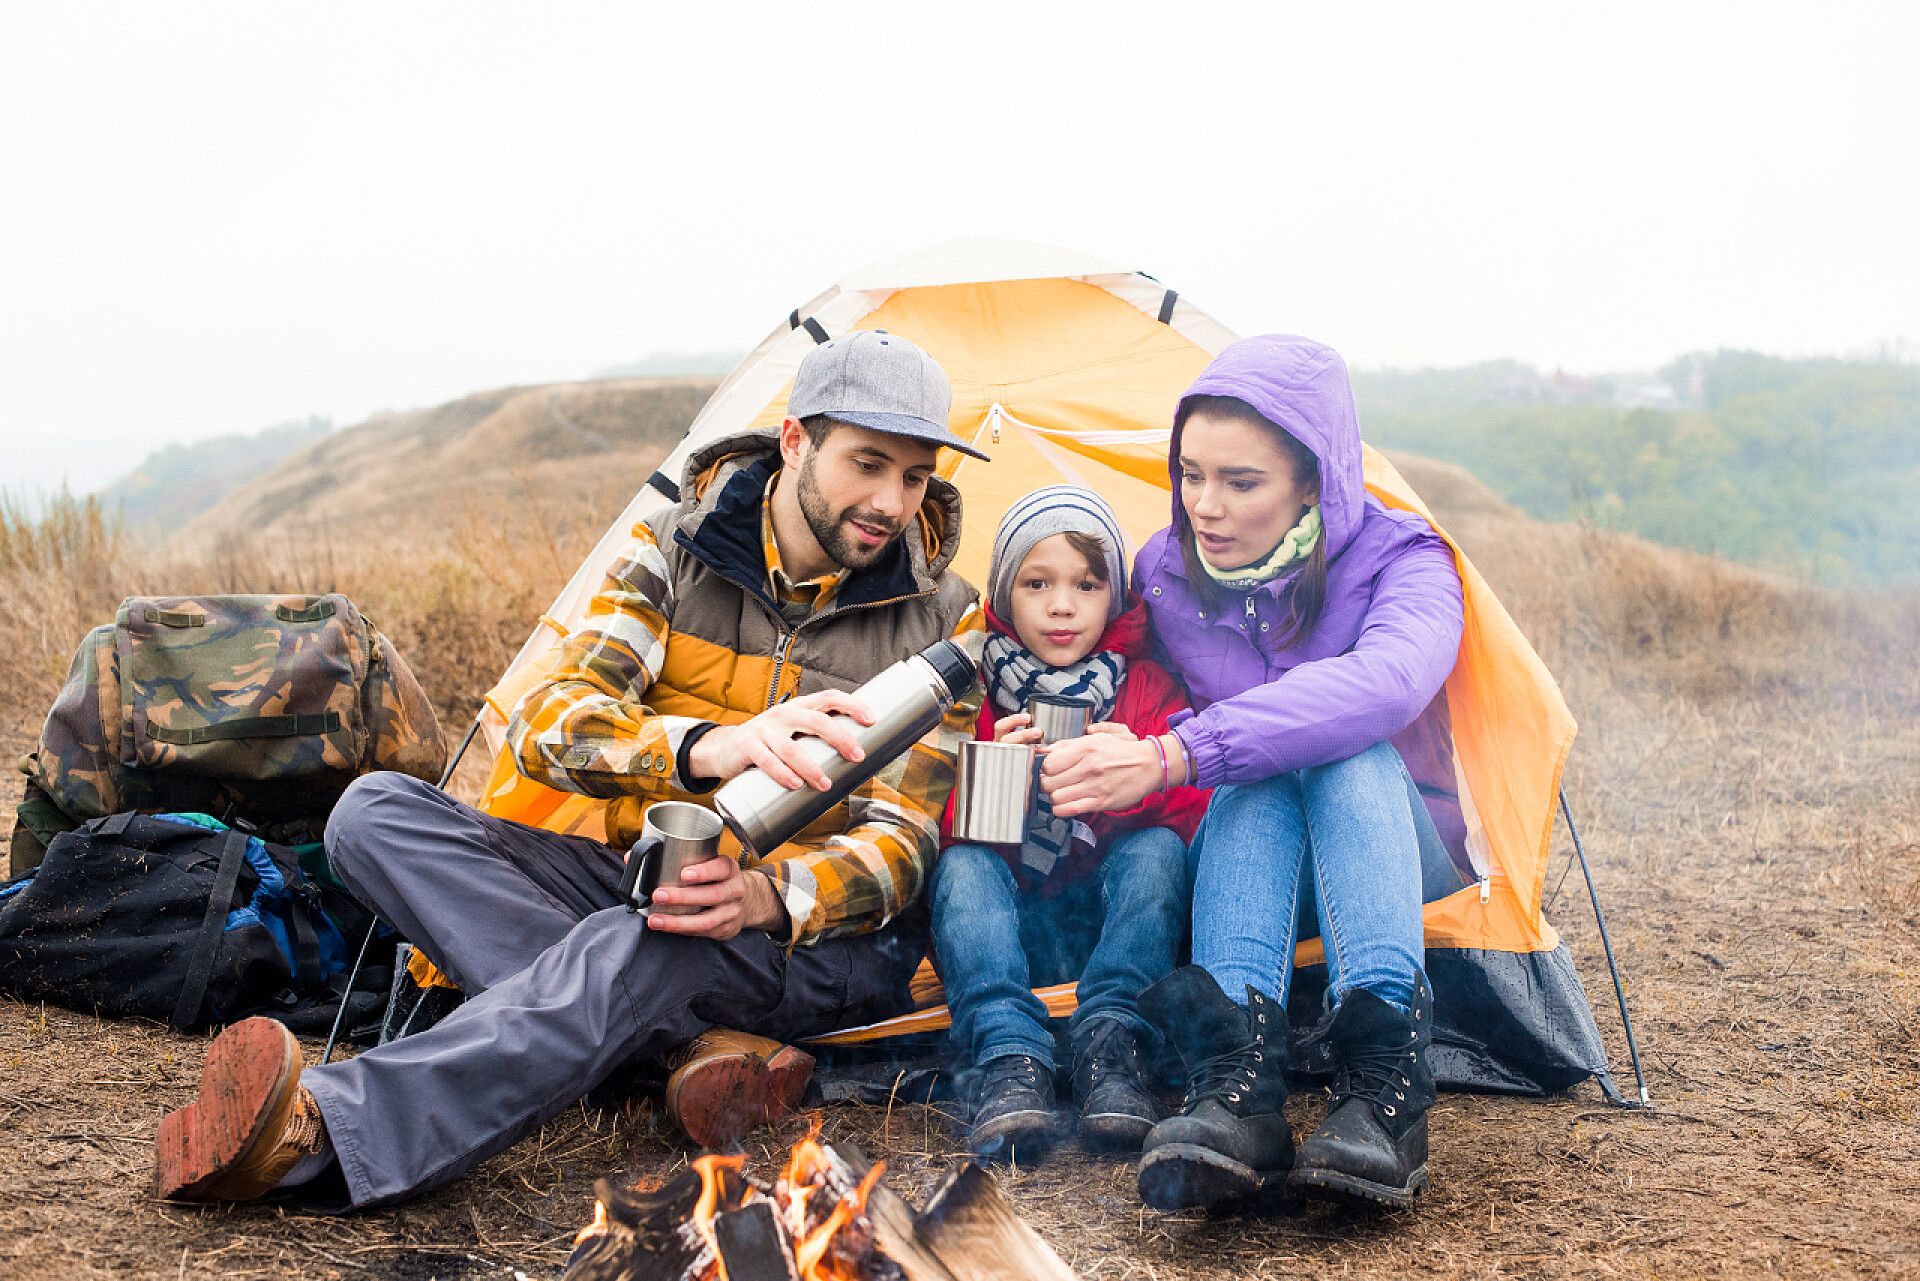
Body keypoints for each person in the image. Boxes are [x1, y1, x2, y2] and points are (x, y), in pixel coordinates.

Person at [153, 330, 989, 1209]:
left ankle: (326, 1132)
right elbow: (549, 727)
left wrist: (764, 896)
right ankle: (684, 1051)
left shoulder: (943, 620)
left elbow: (906, 839)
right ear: (794, 440)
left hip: (813, 941)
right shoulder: (672, 551)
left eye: (915, 475)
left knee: (651, 935)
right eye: (868, 463)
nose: (891, 502)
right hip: (646, 881)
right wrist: (707, 745)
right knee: (372, 814)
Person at [1041, 334, 1468, 1212]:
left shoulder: (1406, 561)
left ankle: (1384, 1092)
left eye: (1241, 482)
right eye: (1190, 473)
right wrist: (1047, 712)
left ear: (1314, 482)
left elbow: (1383, 684)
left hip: (1390, 851)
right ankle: (1237, 1089)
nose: (1205, 506)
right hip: (1248, 864)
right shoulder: (1165, 571)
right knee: (1250, 773)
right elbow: (1115, 673)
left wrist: (1177, 751)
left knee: (1332, 743)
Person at [929, 486, 1206, 1161]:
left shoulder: (1144, 690)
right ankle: (1008, 1056)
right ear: (1002, 593)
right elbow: (924, 820)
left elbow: (1195, 818)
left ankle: (1112, 1045)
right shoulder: (969, 692)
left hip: (1111, 931)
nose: (1062, 604)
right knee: (960, 868)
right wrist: (994, 782)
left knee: (1156, 851)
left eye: (1087, 583)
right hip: (1008, 928)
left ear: (1114, 596)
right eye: (1037, 582)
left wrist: (1125, 780)